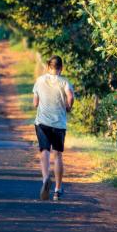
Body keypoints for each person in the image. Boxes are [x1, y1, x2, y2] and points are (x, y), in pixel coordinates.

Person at [33, 55, 74, 201]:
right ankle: (57, 190)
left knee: (44, 151)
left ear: (48, 67)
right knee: (57, 155)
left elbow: (35, 103)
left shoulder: (40, 80)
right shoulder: (64, 82)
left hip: (42, 122)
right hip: (59, 124)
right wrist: (68, 106)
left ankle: (45, 179)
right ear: (61, 68)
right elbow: (70, 96)